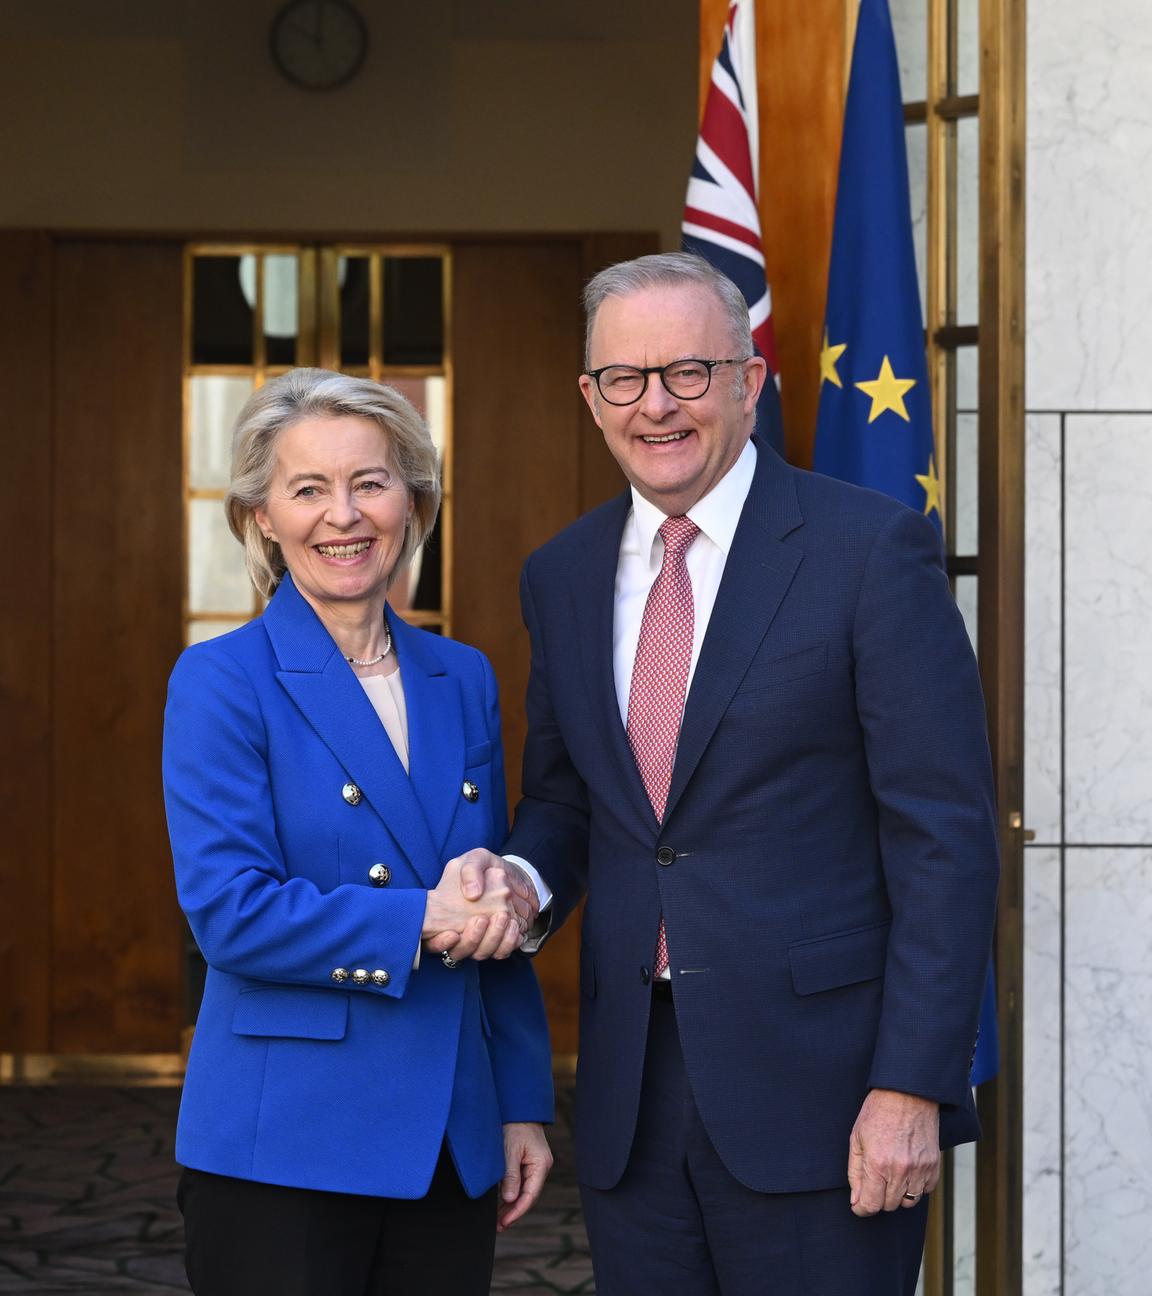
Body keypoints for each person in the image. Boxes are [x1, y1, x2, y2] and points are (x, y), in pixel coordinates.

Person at [458, 253, 1000, 1295]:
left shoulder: (869, 551)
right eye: (625, 378)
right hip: (633, 1100)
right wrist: (519, 885)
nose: (655, 405)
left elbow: (944, 838)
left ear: (750, 380)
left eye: (689, 373)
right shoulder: (561, 576)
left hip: (832, 1099)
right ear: (590, 397)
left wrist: (909, 1086)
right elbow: (569, 801)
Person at [162, 368, 553, 1296]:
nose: (344, 515)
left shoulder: (462, 677)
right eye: (308, 489)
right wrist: (420, 917)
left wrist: (522, 1102)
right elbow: (231, 915)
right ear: (262, 514)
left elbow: (488, 902)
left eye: (370, 482)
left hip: (450, 1135)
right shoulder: (222, 681)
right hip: (286, 1143)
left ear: (411, 500)